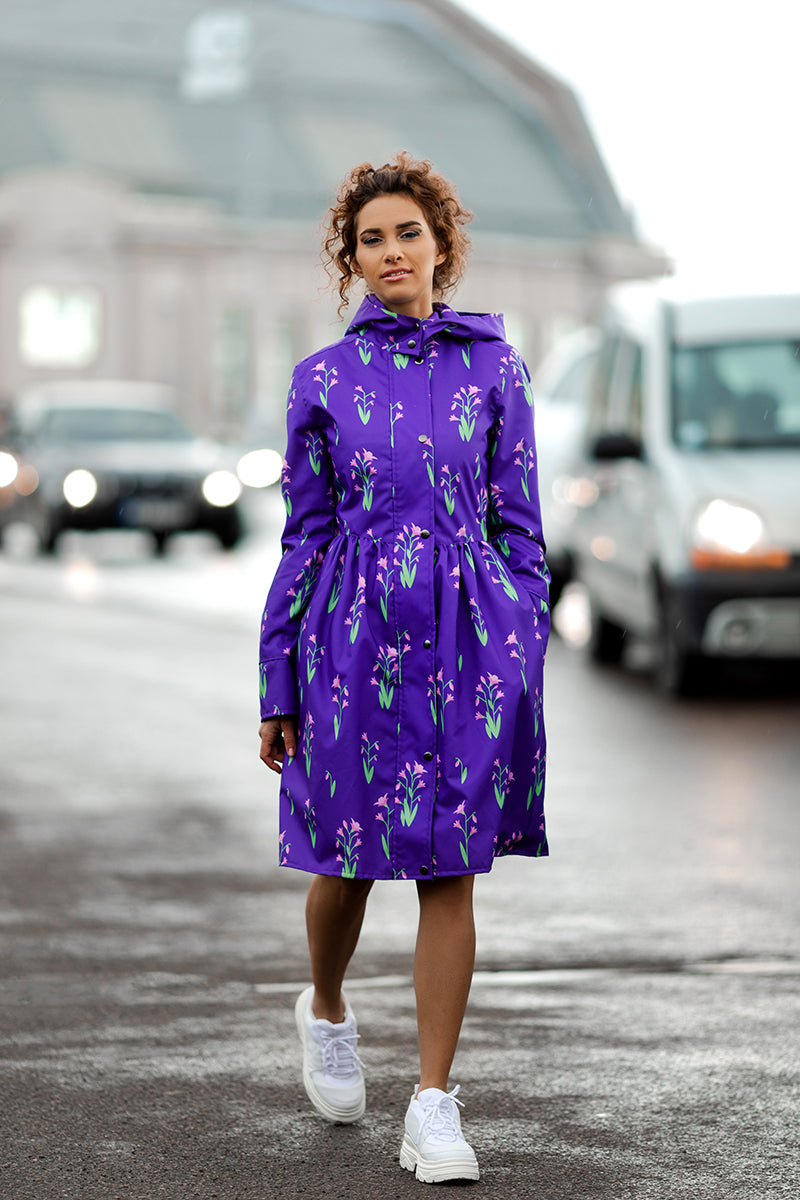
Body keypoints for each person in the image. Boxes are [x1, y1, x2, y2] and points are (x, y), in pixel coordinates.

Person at [258, 153, 550, 1185]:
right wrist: (278, 678)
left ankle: (432, 1103)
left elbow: (521, 525)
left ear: (441, 245)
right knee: (343, 862)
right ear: (350, 260)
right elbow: (304, 536)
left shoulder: (493, 368)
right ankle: (328, 1008)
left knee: (449, 867)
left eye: (407, 233)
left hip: (469, 646)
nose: (391, 252)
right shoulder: (322, 381)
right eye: (370, 239)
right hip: (350, 646)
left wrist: (519, 638)